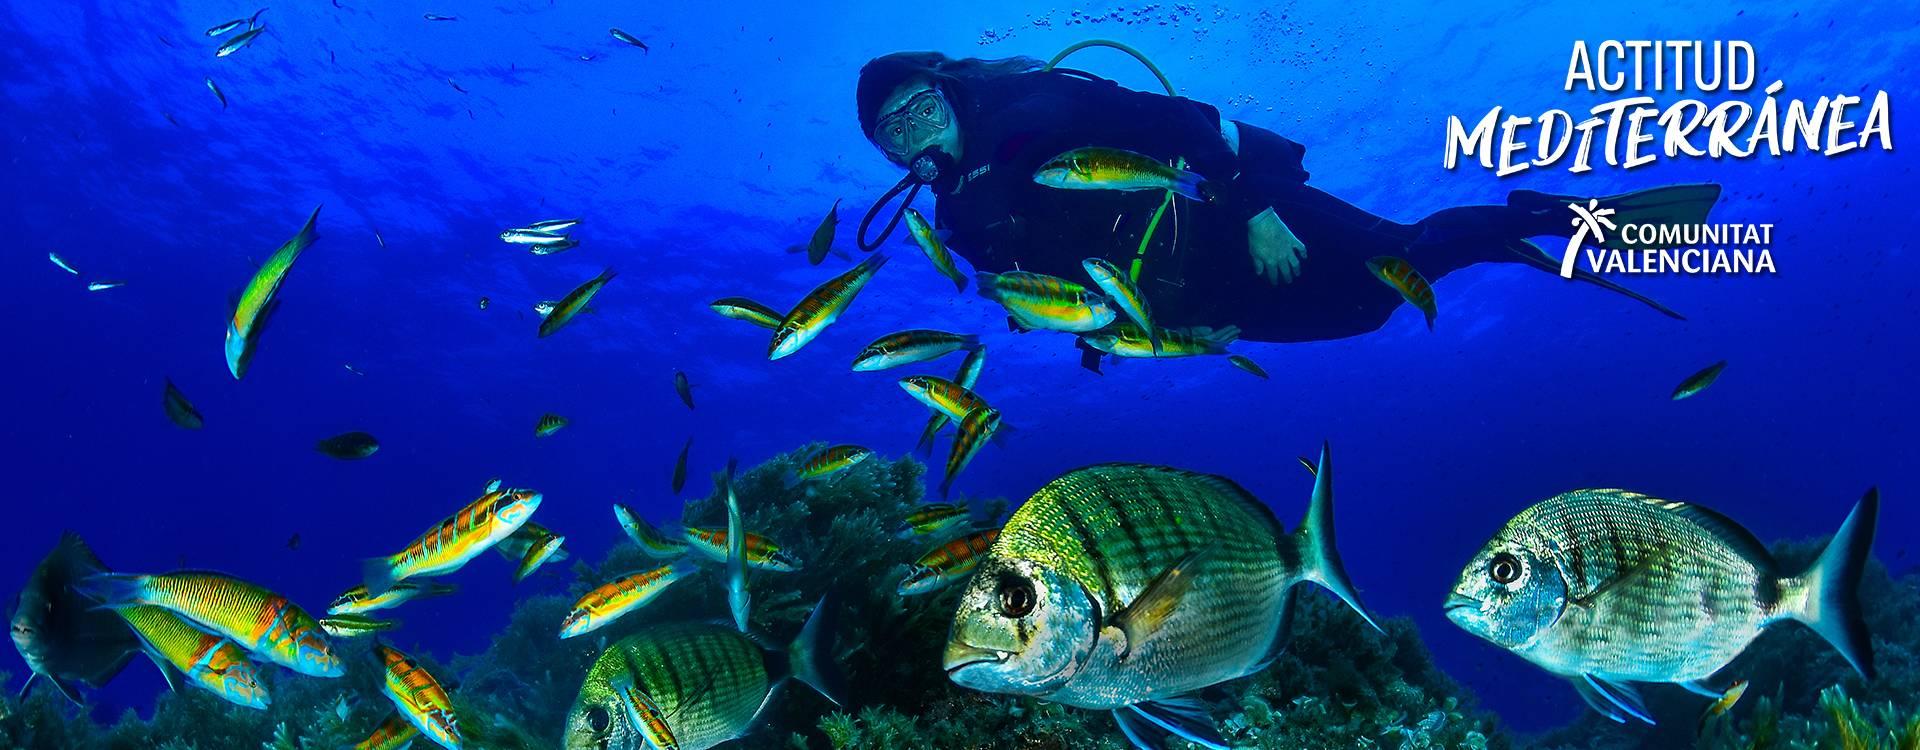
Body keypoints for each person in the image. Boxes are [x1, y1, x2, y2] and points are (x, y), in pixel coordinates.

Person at [853, 51, 1720, 345]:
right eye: (895, 136)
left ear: (951, 92)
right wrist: (1147, 337)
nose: (918, 139)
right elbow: (1048, 299)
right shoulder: (957, 220)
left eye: (922, 110)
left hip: (1244, 213)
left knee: (1408, 250)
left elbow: (1183, 118)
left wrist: (1257, 210)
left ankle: (1555, 220)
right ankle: (1519, 232)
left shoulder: (1035, 110)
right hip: (1201, 299)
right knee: (1369, 313)